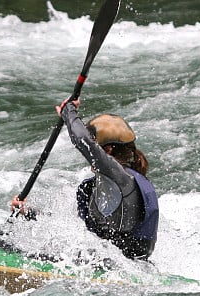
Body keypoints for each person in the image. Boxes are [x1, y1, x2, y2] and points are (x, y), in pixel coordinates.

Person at [11, 98, 159, 261]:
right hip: (123, 264)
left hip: (113, 266)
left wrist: (68, 111)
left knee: (15, 249)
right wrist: (29, 213)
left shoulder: (120, 178)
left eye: (97, 149)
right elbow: (77, 229)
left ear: (107, 151)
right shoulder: (126, 183)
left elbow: (84, 141)